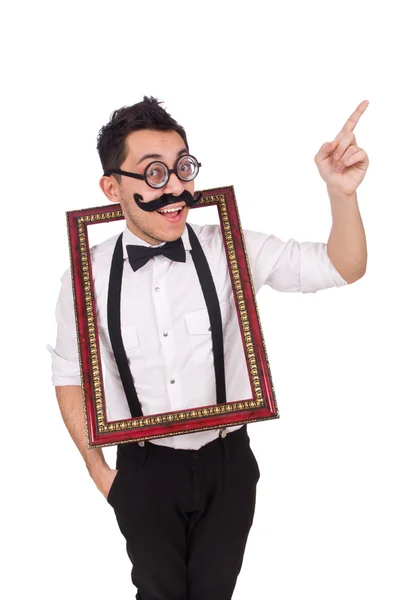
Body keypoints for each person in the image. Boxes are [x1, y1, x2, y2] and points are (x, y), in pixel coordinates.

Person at [49, 96, 369, 600]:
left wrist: (341, 194)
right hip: (144, 469)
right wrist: (101, 472)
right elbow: (70, 373)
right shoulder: (85, 275)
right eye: (154, 173)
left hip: (228, 464)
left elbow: (341, 266)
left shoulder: (231, 245)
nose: (176, 187)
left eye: (182, 167)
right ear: (112, 188)